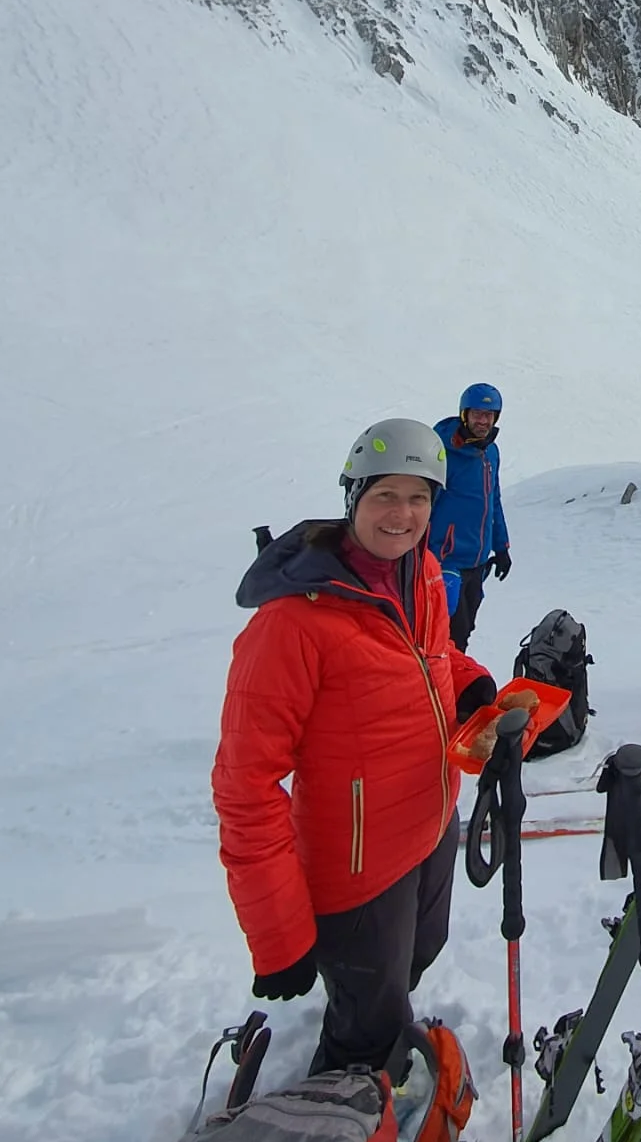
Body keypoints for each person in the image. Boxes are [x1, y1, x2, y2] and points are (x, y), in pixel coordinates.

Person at [213, 417, 504, 1084]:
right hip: (358, 866)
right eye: (385, 496)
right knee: (366, 1033)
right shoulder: (291, 624)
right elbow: (244, 785)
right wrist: (278, 935)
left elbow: (428, 657)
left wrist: (470, 682)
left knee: (416, 958)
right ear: (353, 499)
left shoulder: (421, 572)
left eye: (420, 498)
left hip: (431, 827)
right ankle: (334, 1136)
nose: (403, 515)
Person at [429, 382, 511, 651]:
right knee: (441, 636)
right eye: (477, 414)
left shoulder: (491, 452)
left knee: (463, 632)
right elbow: (424, 506)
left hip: (477, 563)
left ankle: (454, 687)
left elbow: (492, 500)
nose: (483, 421)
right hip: (444, 563)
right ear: (464, 414)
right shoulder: (442, 453)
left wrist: (501, 546)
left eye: (489, 415)